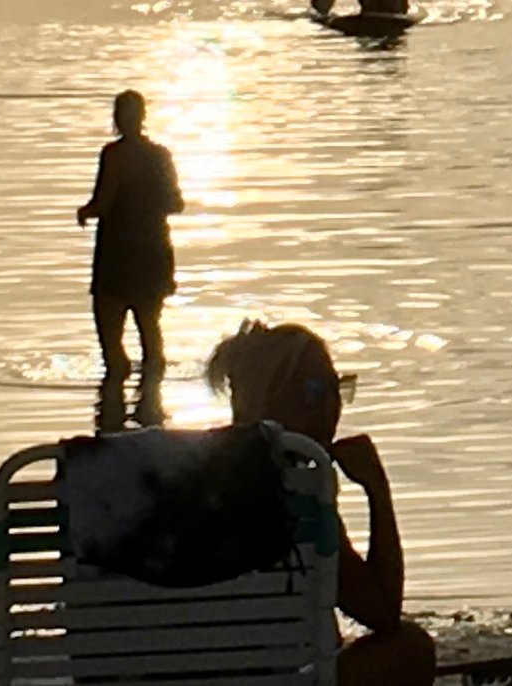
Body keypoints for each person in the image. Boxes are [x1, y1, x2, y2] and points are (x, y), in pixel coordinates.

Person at [207, 320, 435, 686]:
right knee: (411, 647)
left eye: (336, 389)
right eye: (312, 391)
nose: (331, 407)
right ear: (264, 398)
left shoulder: (181, 479)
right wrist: (377, 490)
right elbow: (382, 612)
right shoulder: (298, 493)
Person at [77, 90, 183, 383]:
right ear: (143, 117)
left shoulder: (113, 155)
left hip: (117, 256)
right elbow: (177, 204)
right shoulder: (161, 156)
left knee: (111, 340)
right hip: (154, 253)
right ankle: (151, 407)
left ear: (117, 119)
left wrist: (84, 213)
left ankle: (113, 405)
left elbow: (103, 202)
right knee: (151, 332)